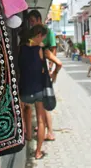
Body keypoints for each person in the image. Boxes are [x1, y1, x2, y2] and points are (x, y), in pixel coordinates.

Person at [18, 24, 62, 160]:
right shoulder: (42, 50)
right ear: (38, 35)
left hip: (24, 90)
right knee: (41, 121)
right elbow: (59, 63)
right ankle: (37, 152)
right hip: (39, 91)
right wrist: (54, 73)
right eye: (43, 37)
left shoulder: (21, 48)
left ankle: (28, 138)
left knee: (25, 113)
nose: (43, 39)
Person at [27, 10, 56, 141]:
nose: (31, 24)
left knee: (44, 103)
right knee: (41, 104)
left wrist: (51, 68)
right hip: (38, 74)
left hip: (44, 72)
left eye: (33, 21)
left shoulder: (47, 33)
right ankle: (44, 127)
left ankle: (49, 131)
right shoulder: (33, 35)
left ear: (39, 19)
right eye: (29, 22)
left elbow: (53, 50)